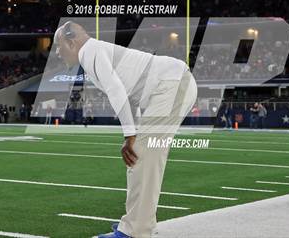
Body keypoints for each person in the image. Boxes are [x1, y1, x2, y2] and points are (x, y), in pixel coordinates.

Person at [54, 21, 197, 238]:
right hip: (171, 84)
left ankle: (135, 231)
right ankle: (135, 224)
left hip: (172, 84)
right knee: (142, 157)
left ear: (72, 43)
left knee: (142, 157)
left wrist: (130, 135)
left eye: (58, 45)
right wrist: (133, 133)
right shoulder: (93, 51)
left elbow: (116, 90)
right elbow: (129, 93)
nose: (57, 51)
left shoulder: (89, 52)